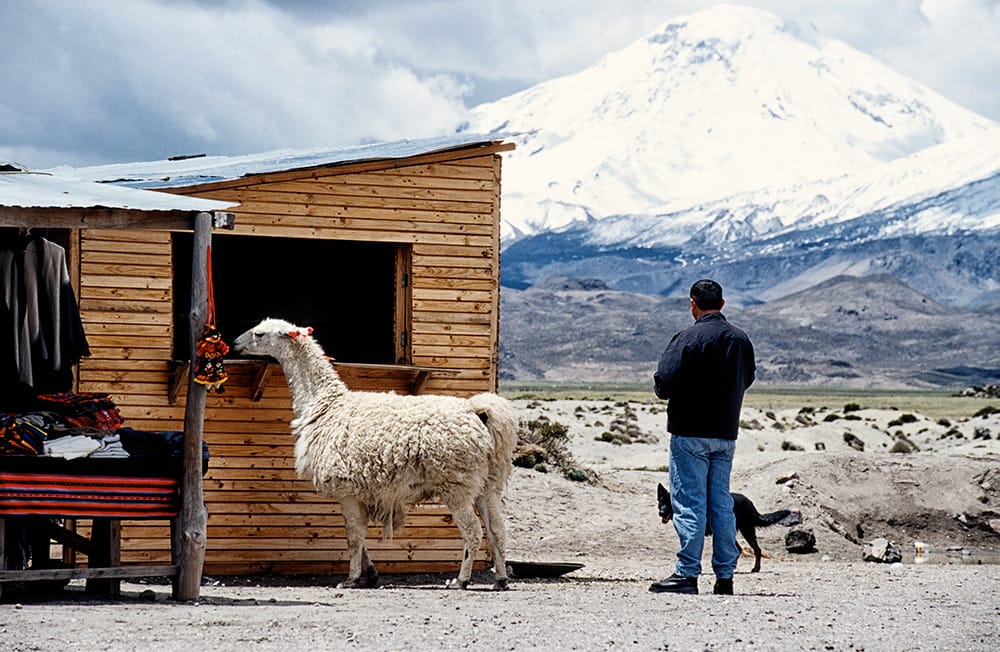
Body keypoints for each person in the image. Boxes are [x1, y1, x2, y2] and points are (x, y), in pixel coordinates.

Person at [649, 279, 755, 595]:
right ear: (722, 304)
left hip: (690, 431)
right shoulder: (740, 339)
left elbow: (663, 382)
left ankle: (686, 574)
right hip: (725, 432)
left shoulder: (687, 338)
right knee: (721, 503)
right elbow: (747, 378)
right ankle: (725, 576)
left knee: (690, 501)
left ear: (692, 303)